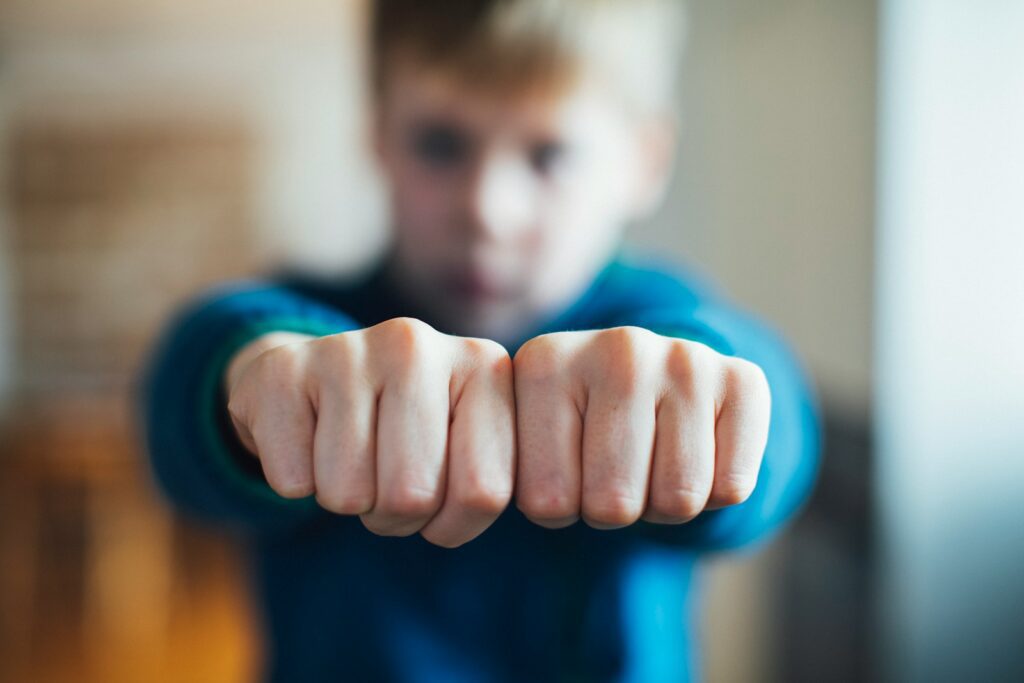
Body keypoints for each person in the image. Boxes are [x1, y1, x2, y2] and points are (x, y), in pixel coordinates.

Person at [139, 1, 821, 681]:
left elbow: (773, 422)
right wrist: (258, 375)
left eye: (549, 154)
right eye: (441, 143)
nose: (488, 210)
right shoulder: (314, 327)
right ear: (378, 136)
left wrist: (716, 395)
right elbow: (191, 383)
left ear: (644, 161)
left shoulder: (664, 321)